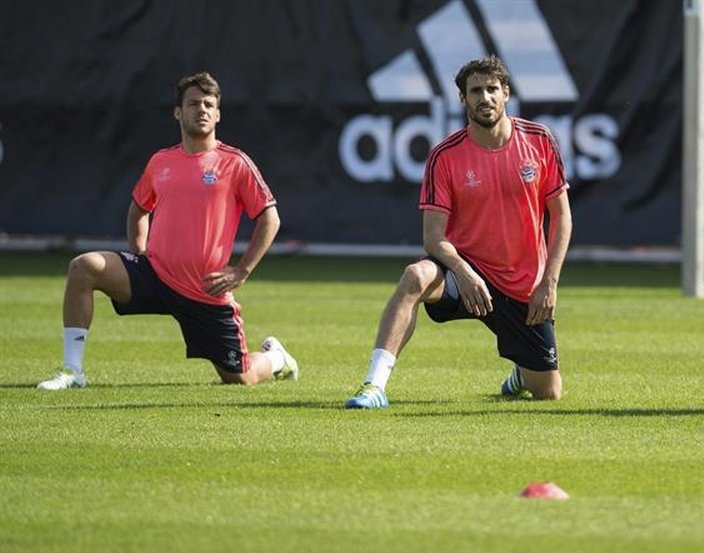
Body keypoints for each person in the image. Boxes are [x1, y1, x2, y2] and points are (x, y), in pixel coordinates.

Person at [37, 72, 298, 390]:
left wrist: (242, 270)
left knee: (239, 378)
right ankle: (72, 371)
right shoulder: (161, 161)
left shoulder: (235, 163)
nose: (201, 110)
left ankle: (276, 358)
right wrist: (139, 256)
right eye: (193, 104)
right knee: (83, 267)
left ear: (217, 114)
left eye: (208, 104)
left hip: (206, 291)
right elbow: (138, 210)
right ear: (178, 112)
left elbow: (270, 219)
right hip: (156, 276)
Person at [344, 55, 572, 409]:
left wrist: (550, 282)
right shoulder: (445, 156)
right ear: (463, 100)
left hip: (523, 284)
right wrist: (465, 273)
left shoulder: (539, 140)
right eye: (476, 91)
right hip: (462, 270)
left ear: (507, 93)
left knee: (548, 392)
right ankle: (374, 386)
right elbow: (433, 237)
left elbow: (562, 219)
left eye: (492, 89)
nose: (485, 98)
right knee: (414, 277)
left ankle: (521, 374)